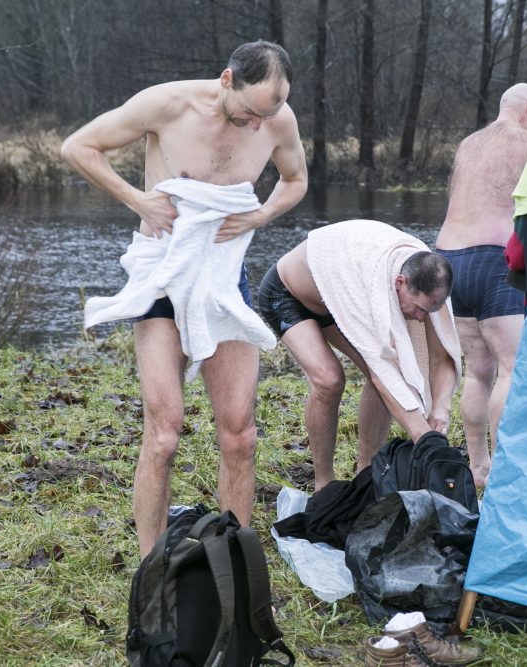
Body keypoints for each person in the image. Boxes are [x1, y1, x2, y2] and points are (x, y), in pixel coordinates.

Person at [60, 41, 307, 557]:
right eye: (249, 112)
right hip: (163, 278)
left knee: (240, 434)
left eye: (268, 114)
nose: (257, 125)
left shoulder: (276, 120)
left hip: (222, 280)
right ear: (226, 79)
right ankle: (151, 567)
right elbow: (78, 147)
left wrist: (261, 215)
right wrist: (139, 201)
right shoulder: (167, 104)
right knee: (165, 433)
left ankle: (233, 559)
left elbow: (295, 179)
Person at [258, 219, 461, 491]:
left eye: (429, 311)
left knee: (387, 376)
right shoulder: (375, 280)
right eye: (418, 309)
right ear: (400, 282)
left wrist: (441, 409)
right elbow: (381, 372)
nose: (421, 318)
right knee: (330, 380)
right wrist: (424, 439)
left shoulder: (430, 278)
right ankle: (324, 482)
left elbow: (443, 353)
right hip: (289, 294)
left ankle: (367, 473)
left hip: (336, 296)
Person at [435, 83, 527, 488]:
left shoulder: (468, 144)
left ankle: (478, 468)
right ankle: (504, 471)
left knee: (478, 371)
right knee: (510, 368)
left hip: (447, 260)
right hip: (493, 257)